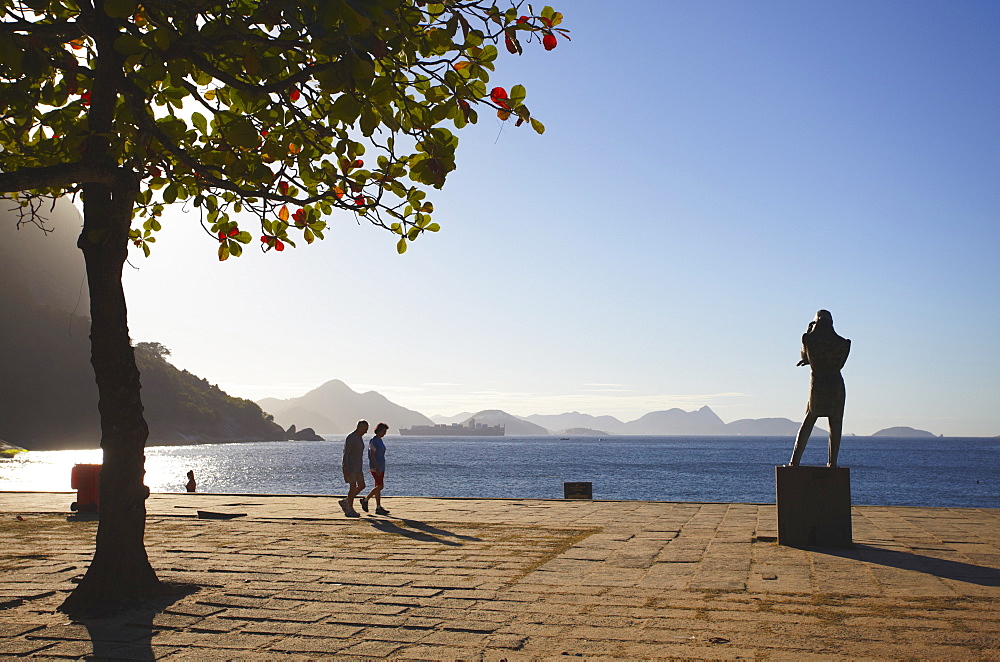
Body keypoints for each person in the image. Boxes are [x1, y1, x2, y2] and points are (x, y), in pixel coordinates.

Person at [789, 310, 851, 467]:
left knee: (809, 421)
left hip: (819, 384)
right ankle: (832, 463)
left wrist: (808, 332)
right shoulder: (844, 343)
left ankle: (794, 462)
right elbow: (838, 364)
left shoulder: (809, 339)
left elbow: (804, 356)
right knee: (835, 426)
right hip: (836, 385)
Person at [360, 422, 390, 516]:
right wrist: (376, 466)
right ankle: (365, 499)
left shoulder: (380, 441)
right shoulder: (373, 441)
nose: (385, 433)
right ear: (379, 431)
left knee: (378, 487)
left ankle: (378, 507)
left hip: (381, 467)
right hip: (376, 467)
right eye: (384, 431)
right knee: (380, 486)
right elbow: (372, 455)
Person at [340, 420, 368, 517]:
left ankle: (347, 500)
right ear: (360, 427)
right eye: (365, 429)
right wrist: (345, 467)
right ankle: (350, 509)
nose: (366, 432)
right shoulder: (351, 438)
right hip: (351, 467)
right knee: (352, 487)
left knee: (362, 485)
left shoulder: (360, 438)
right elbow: (346, 453)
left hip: (358, 467)